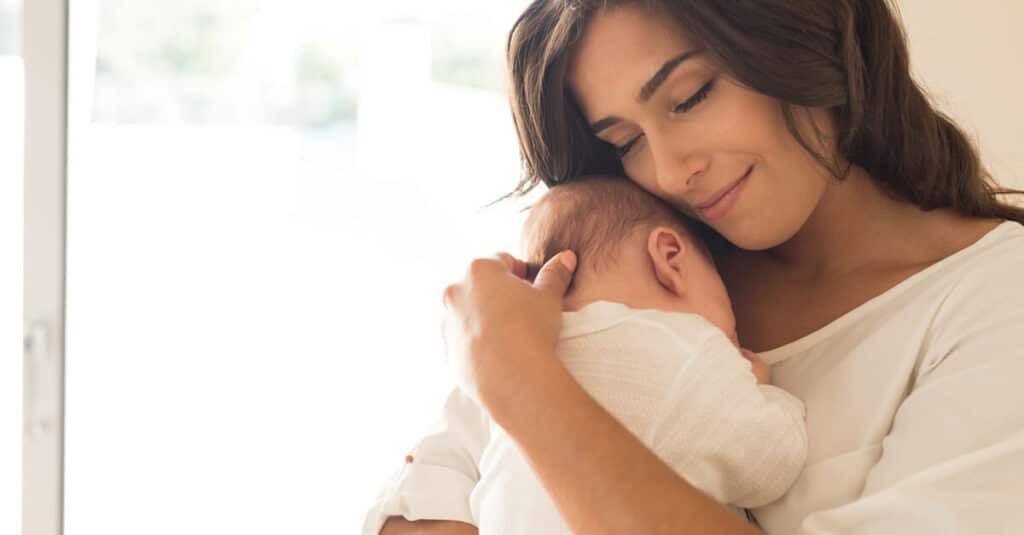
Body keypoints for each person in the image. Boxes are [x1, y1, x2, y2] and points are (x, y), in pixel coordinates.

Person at [388, 1, 1024, 533]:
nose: (669, 171)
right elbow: (416, 506)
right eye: (625, 142)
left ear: (799, 39)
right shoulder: (640, 279)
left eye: (689, 97)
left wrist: (521, 382)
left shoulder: (993, 299)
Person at [365, 176, 807, 534]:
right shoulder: (687, 349)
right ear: (670, 258)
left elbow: (436, 468)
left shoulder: (496, 364)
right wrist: (761, 390)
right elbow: (771, 465)